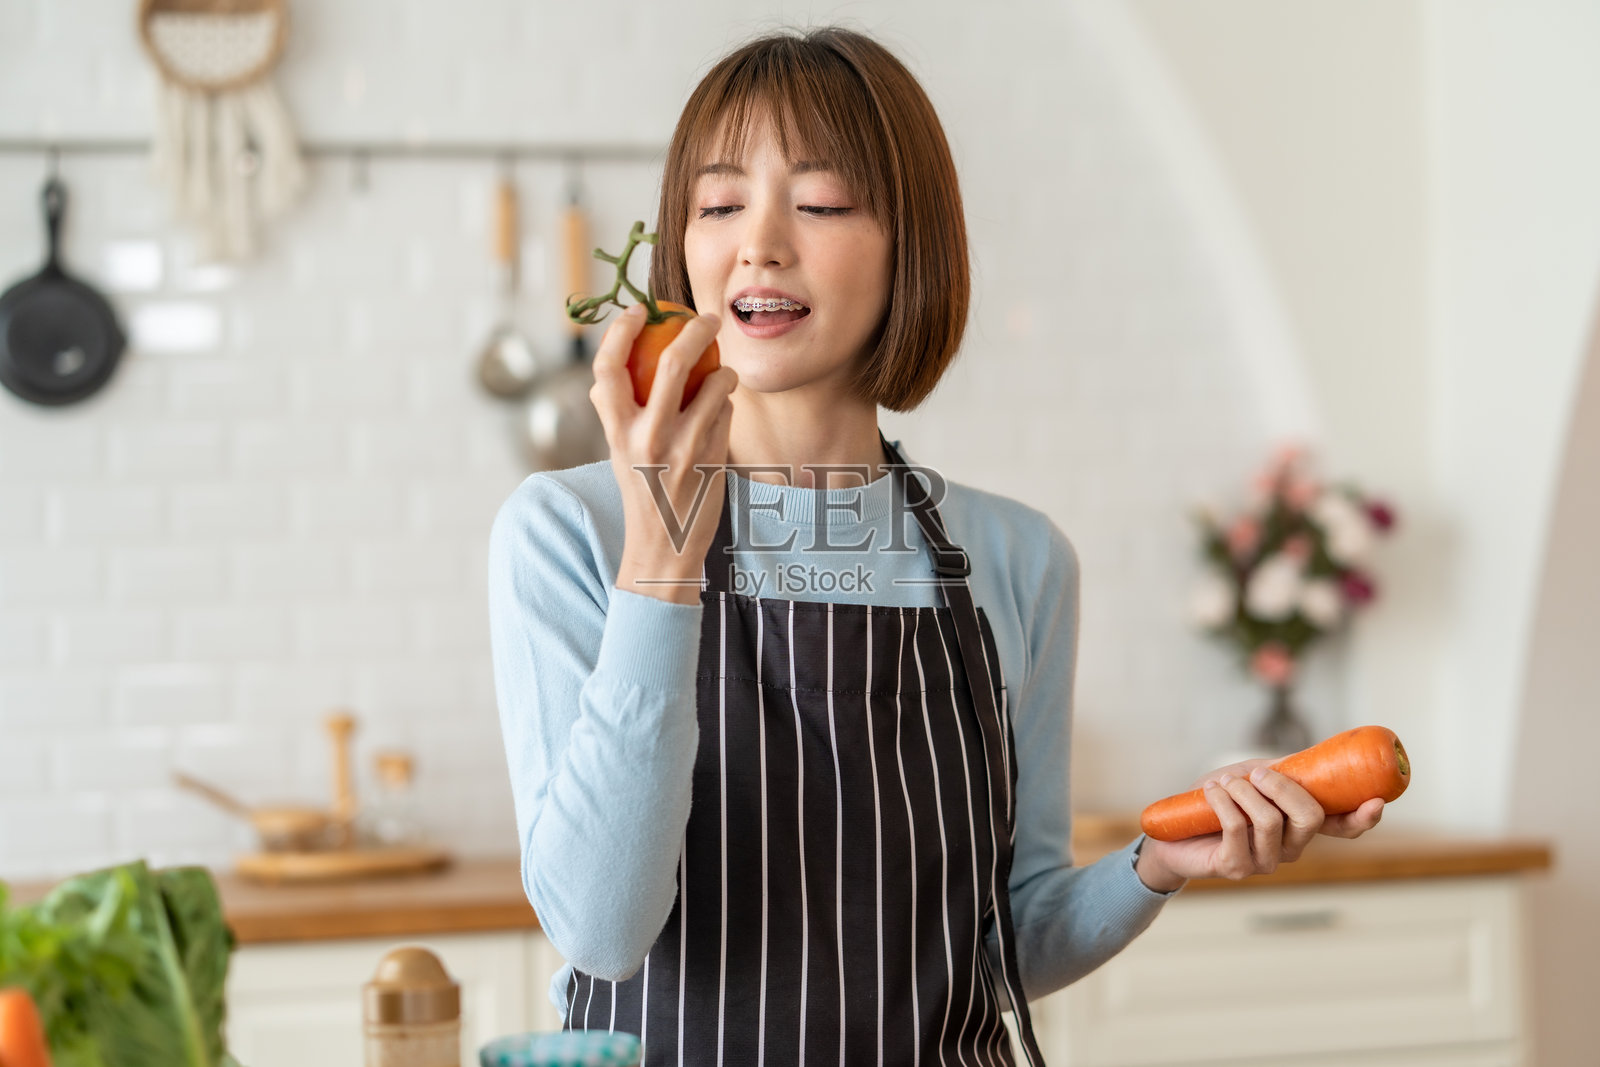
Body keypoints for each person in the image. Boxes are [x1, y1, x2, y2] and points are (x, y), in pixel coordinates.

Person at [488, 26, 1383, 1066]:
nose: (759, 244)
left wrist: (1157, 861)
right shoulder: (569, 533)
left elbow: (1006, 938)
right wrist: (662, 559)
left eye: (819, 203)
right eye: (719, 204)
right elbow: (600, 928)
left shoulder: (1015, 557)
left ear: (911, 245)